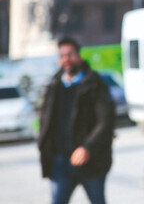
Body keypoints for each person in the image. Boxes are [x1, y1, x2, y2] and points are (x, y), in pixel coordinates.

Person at [38, 37, 115, 204]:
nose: (66, 59)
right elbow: (46, 119)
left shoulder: (94, 83)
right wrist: (44, 147)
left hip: (91, 161)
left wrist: (88, 148)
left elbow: (106, 120)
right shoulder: (54, 85)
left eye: (70, 54)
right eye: (62, 55)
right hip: (60, 162)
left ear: (79, 56)